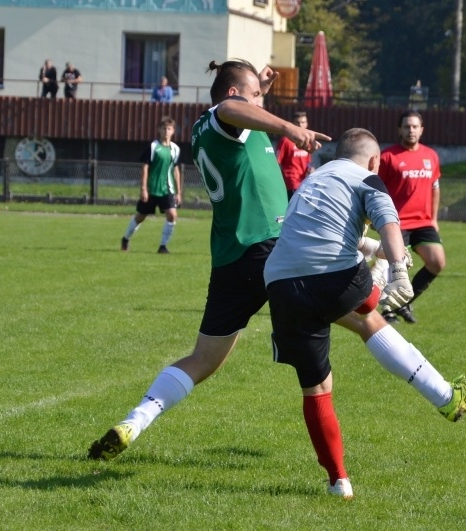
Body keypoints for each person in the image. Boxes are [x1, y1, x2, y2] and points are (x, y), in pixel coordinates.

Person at [88, 58, 328, 463]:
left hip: (231, 258)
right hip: (265, 245)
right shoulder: (224, 113)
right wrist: (290, 128)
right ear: (234, 94)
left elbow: (240, 108)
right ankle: (436, 392)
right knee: (359, 312)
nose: (259, 103)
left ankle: (135, 420)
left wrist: (259, 90)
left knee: (203, 359)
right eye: (254, 96)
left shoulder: (211, 127)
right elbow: (232, 108)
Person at [265, 127, 466, 499]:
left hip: (280, 284)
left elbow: (325, 230)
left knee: (317, 388)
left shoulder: (313, 180)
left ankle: (339, 482)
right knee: (370, 308)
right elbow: (390, 224)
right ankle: (444, 394)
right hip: (333, 277)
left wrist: (375, 250)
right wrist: (399, 269)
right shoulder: (369, 178)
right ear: (375, 160)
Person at [377, 110, 445, 325]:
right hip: (397, 222)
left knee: (437, 262)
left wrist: (433, 219)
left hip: (423, 222)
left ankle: (403, 302)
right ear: (399, 129)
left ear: (421, 130)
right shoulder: (388, 157)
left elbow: (435, 187)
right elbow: (376, 189)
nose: (411, 130)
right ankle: (387, 310)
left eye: (415, 126)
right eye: (407, 126)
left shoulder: (431, 156)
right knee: (395, 265)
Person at [120, 116, 182, 254]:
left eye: (169, 129)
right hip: (152, 189)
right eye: (164, 128)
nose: (166, 131)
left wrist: (179, 192)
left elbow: (176, 170)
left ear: (173, 131)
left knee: (172, 215)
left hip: (168, 189)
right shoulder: (153, 147)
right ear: (159, 130)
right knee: (140, 216)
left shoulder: (175, 149)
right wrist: (143, 189)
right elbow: (145, 168)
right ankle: (125, 238)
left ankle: (163, 246)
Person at [275, 111, 313, 199]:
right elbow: (276, 161)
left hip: (303, 183)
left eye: (303, 122)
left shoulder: (308, 142)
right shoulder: (286, 141)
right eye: (297, 122)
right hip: (291, 183)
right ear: (293, 124)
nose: (300, 125)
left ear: (306, 124)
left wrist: (310, 168)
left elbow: (307, 162)